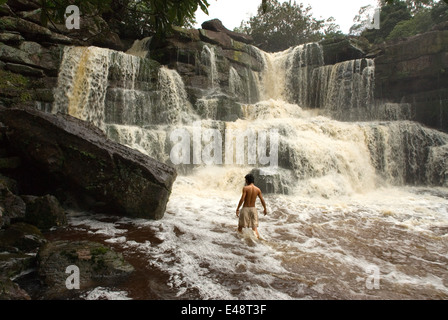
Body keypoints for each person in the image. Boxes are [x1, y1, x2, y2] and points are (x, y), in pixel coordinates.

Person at [235, 173, 267, 239]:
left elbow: (242, 199)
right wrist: (265, 208)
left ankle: (238, 242)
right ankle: (258, 241)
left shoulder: (245, 188)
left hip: (245, 209)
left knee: (240, 227)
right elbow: (262, 200)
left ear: (247, 180)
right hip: (253, 209)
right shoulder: (258, 189)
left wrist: (238, 208)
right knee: (254, 228)